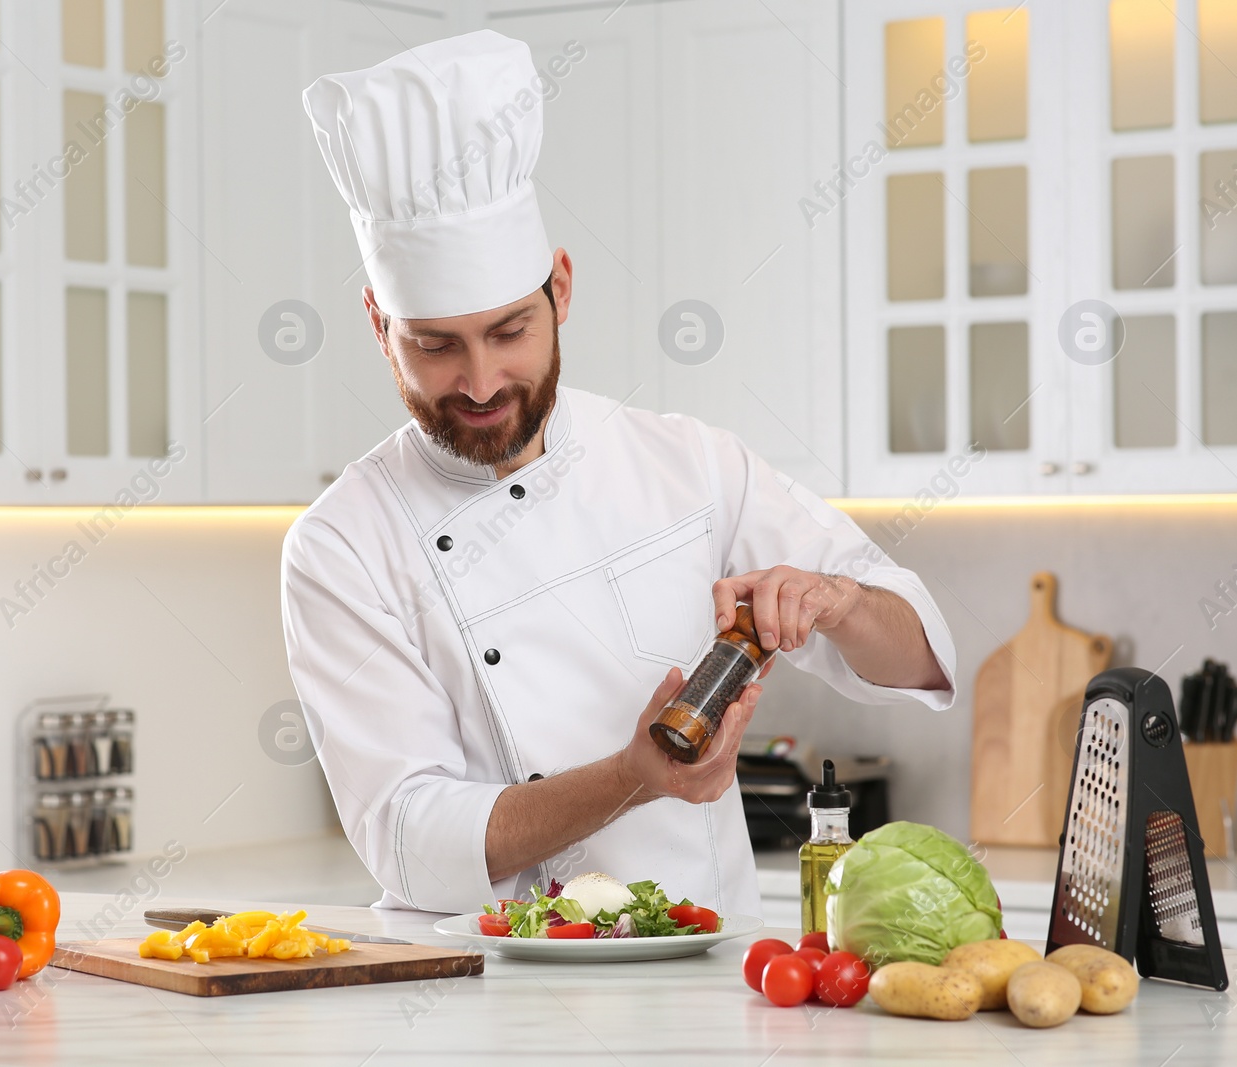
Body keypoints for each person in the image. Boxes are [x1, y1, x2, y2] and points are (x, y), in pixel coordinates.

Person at [283, 30, 955, 916]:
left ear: (560, 288)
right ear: (378, 322)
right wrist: (633, 778)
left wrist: (840, 601)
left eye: (510, 331)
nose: (479, 382)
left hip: (705, 984)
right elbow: (408, 840)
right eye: (435, 345)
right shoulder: (341, 544)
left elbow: (917, 658)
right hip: (479, 1003)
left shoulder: (688, 462)